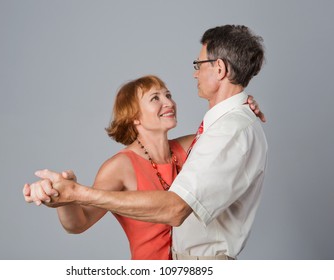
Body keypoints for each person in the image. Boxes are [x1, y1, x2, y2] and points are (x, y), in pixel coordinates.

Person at [24, 24, 267, 260]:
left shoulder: (195, 145)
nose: (169, 103)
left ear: (221, 69)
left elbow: (224, 132)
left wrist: (241, 103)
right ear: (134, 117)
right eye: (155, 98)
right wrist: (64, 197)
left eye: (168, 95)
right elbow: (78, 223)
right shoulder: (120, 166)